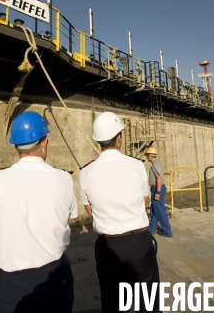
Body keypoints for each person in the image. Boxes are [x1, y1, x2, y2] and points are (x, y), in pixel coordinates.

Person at [0, 111, 77, 313]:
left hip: (8, 281)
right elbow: (69, 216)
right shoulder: (63, 179)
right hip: (53, 275)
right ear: (45, 142)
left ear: (16, 146)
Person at [80, 111, 160, 313]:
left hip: (108, 246)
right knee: (148, 303)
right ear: (119, 138)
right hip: (138, 243)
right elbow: (143, 202)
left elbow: (90, 212)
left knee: (112, 303)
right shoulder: (136, 165)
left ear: (98, 141)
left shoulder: (86, 171)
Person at [145, 146, 172, 237]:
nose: (147, 157)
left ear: (150, 155)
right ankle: (152, 229)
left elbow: (159, 178)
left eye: (147, 155)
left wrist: (157, 192)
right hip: (157, 188)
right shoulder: (157, 164)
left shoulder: (155, 164)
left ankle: (167, 231)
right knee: (154, 209)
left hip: (157, 188)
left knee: (160, 210)